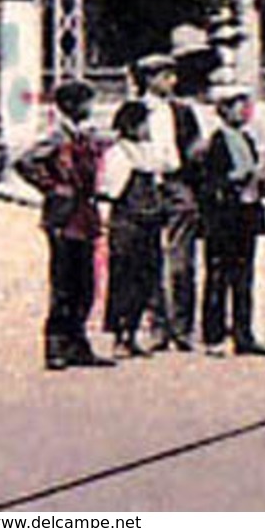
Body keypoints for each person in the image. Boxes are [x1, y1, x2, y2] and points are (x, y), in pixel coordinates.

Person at [15, 80, 114, 370]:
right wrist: (52, 187)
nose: (90, 108)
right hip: (64, 215)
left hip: (84, 212)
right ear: (71, 105)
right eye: (86, 103)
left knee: (85, 283)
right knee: (64, 283)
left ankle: (78, 343)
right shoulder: (56, 135)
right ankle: (56, 346)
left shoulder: (81, 134)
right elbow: (25, 162)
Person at [197, 85, 265, 357]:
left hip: (246, 214)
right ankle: (214, 335)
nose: (245, 111)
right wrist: (237, 178)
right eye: (238, 106)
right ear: (224, 110)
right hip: (224, 217)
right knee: (218, 277)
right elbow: (209, 183)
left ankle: (244, 334)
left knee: (244, 278)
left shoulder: (247, 139)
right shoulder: (217, 141)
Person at [132, 52, 204, 352]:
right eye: (166, 76)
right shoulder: (134, 110)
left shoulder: (183, 111)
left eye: (173, 76)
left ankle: (183, 327)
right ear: (149, 79)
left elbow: (194, 148)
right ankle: (157, 325)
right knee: (149, 258)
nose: (172, 82)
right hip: (146, 185)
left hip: (176, 184)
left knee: (182, 261)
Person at [101, 100, 166, 359]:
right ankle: (120, 335)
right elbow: (112, 191)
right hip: (127, 222)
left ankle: (133, 332)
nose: (147, 128)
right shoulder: (119, 153)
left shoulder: (146, 152)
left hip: (148, 222)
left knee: (145, 277)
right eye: (143, 124)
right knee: (124, 278)